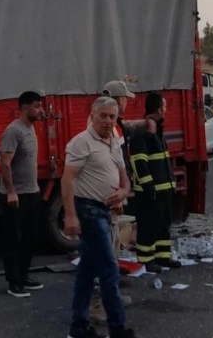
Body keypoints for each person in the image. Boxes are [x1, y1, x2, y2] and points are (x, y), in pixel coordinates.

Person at [63, 96, 136, 338]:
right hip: (89, 211)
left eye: (112, 116)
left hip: (107, 212)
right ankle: (118, 329)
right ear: (92, 115)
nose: (107, 121)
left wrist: (122, 194)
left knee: (86, 272)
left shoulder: (113, 141)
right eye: (103, 116)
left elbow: (124, 179)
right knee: (109, 270)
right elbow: (67, 179)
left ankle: (79, 327)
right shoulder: (81, 143)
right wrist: (70, 216)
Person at [88, 81, 135, 324]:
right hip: (105, 200)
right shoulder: (104, 131)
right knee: (103, 255)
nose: (126, 103)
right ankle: (97, 306)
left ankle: (110, 298)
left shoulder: (113, 127)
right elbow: (105, 168)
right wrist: (115, 195)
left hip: (112, 198)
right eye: (125, 98)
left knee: (112, 250)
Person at [0, 91, 45, 298]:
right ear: (25, 107)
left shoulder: (30, 128)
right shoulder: (13, 131)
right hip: (17, 196)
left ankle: (24, 276)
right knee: (13, 240)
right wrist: (11, 192)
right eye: (37, 106)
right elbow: (4, 163)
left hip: (32, 192)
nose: (41, 110)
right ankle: (13, 282)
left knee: (30, 238)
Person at [129, 92, 182, 273]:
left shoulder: (157, 130)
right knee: (148, 226)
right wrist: (148, 187)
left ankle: (163, 257)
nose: (166, 109)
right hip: (150, 192)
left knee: (163, 225)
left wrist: (171, 185)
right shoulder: (142, 132)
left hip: (163, 190)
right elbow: (139, 162)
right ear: (159, 109)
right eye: (165, 106)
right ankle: (146, 260)